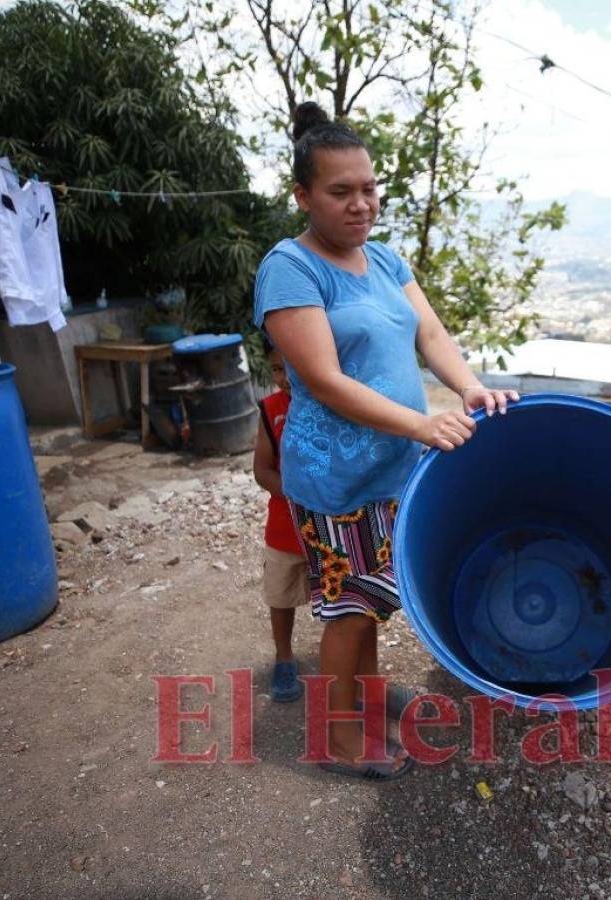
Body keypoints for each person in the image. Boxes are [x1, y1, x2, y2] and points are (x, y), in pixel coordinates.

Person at [253, 101, 518, 780]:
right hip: (337, 477)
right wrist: (423, 424)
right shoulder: (290, 268)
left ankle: (364, 708)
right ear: (303, 195)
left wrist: (467, 387)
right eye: (340, 192)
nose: (360, 204)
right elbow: (324, 379)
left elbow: (429, 334)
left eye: (368, 188)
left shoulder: (386, 258)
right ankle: (337, 741)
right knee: (348, 613)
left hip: (394, 468)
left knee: (372, 604)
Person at [251, 336, 309, 703]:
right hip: (286, 527)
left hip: (331, 525)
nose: (284, 377)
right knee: (281, 594)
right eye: (276, 368)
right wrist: (297, 493)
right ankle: (284, 656)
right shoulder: (271, 410)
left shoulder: (332, 404)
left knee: (338, 597)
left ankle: (345, 662)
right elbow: (261, 471)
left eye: (292, 366)